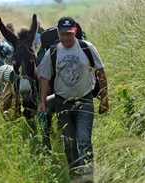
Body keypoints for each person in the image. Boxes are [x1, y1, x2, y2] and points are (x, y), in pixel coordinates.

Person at [36, 16, 109, 182]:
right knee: (69, 144)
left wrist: (105, 99)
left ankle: (88, 178)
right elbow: (44, 78)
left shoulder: (86, 48)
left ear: (75, 32)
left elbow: (101, 72)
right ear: (58, 33)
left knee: (84, 141)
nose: (66, 38)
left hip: (84, 100)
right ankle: (75, 176)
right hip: (63, 103)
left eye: (69, 34)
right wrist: (42, 103)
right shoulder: (52, 52)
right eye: (62, 34)